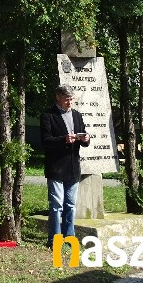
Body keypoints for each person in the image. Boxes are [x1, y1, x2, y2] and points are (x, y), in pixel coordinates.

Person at [40, 84, 90, 248]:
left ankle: (69, 237)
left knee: (70, 205)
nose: (70, 102)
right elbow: (45, 141)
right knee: (56, 206)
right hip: (56, 167)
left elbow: (84, 139)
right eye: (67, 99)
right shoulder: (48, 115)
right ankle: (54, 240)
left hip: (73, 167)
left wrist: (86, 139)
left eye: (72, 99)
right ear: (58, 97)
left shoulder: (77, 115)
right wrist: (64, 139)